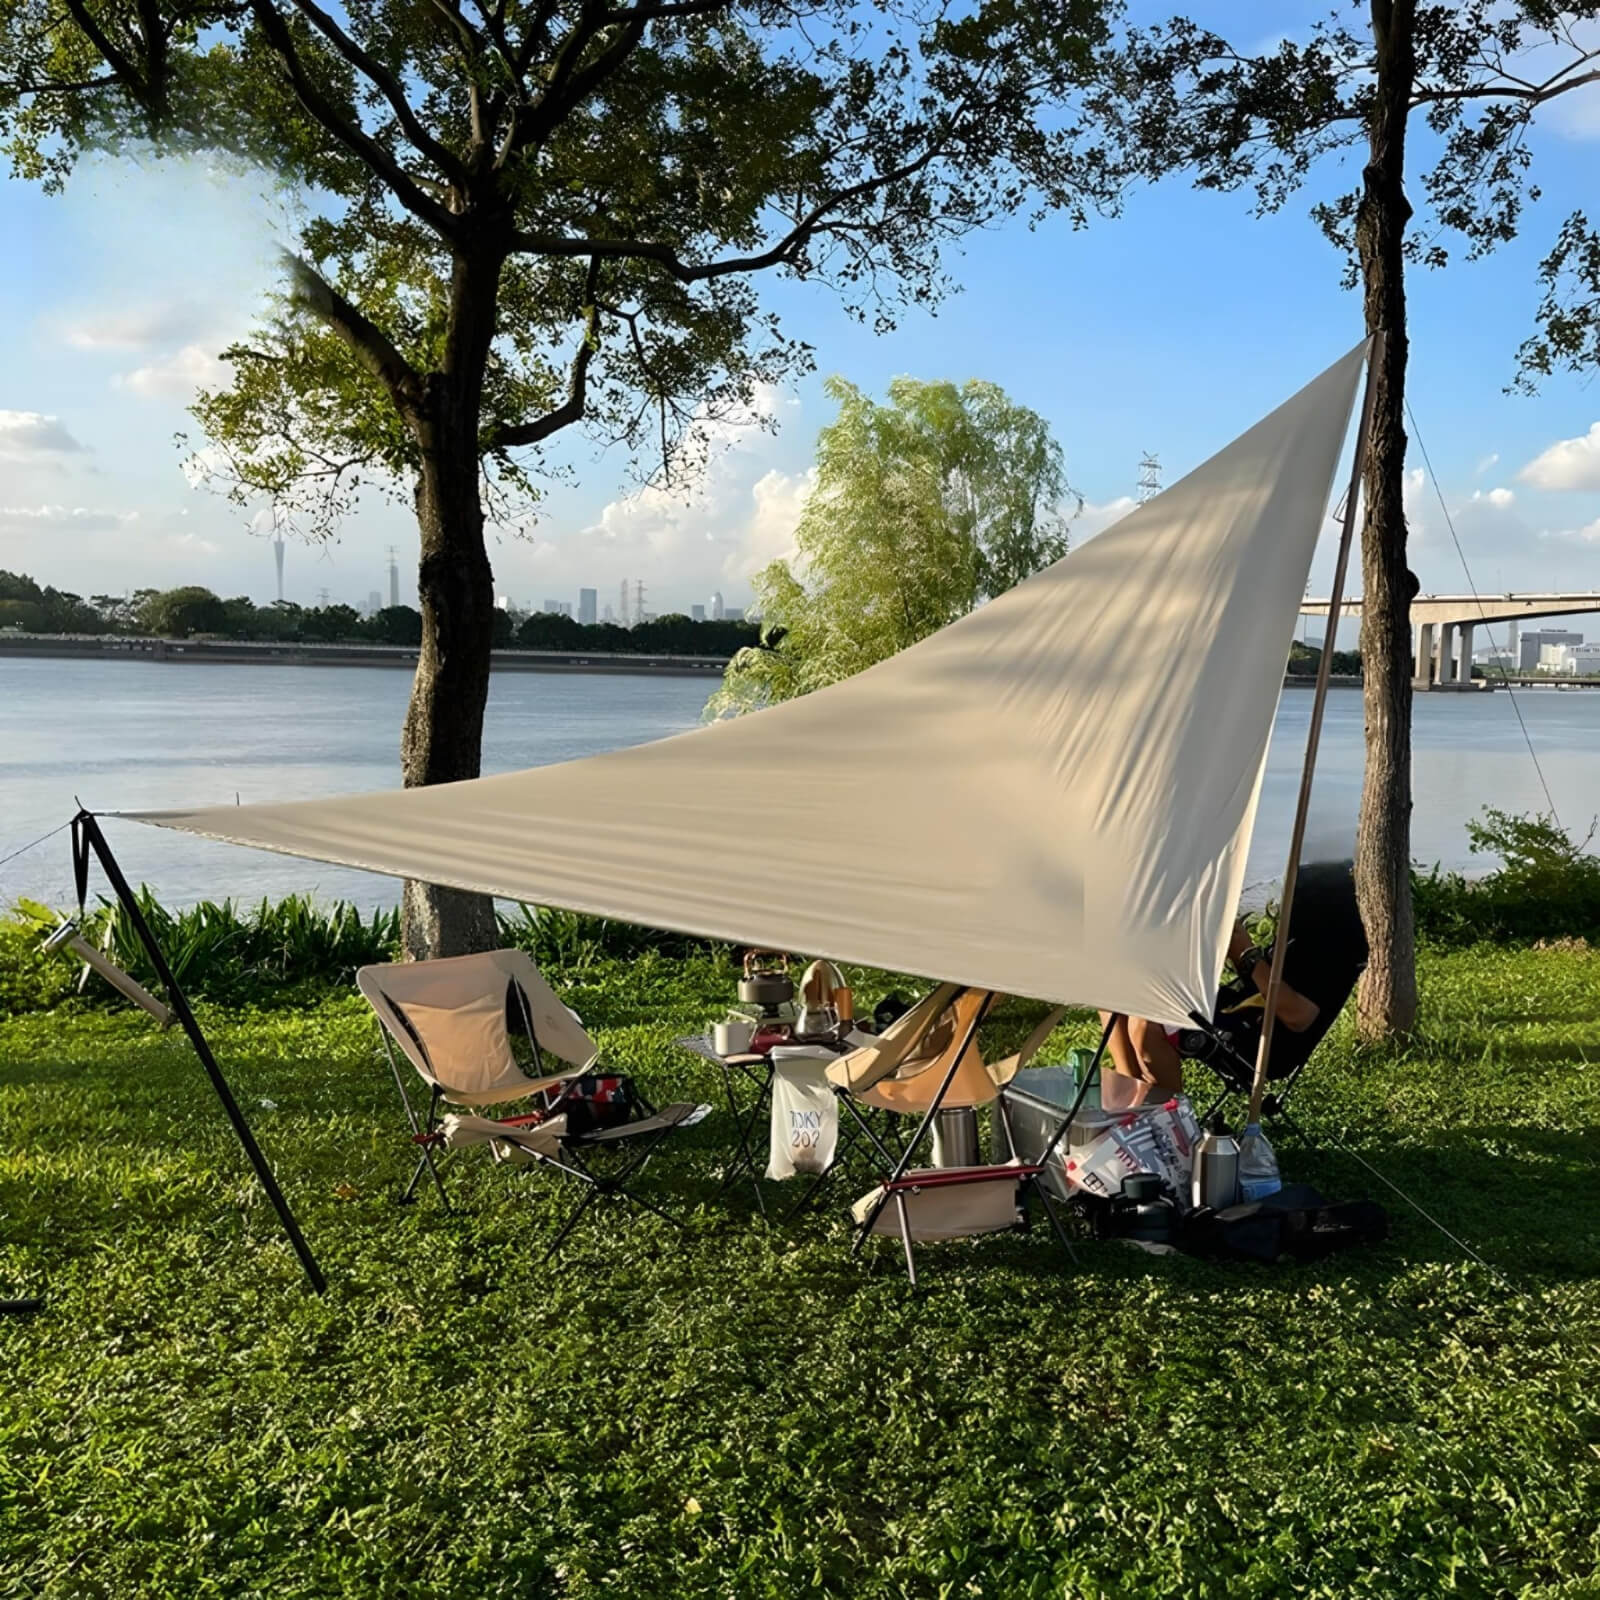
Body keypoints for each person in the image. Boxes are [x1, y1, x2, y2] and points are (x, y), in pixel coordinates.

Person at [1099, 863, 1365, 1105]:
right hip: (1237, 1008)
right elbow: (1259, 976)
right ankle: (1130, 1102)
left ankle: (1173, 1124)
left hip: (1259, 1040)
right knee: (1112, 993)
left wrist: (1247, 954)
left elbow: (1298, 1016)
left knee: (1146, 1022)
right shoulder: (1304, 931)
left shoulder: (1335, 945)